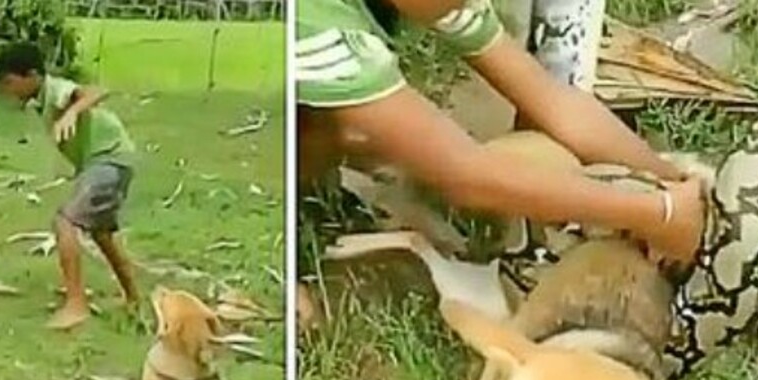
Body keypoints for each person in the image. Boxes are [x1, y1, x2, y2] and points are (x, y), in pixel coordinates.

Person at [296, 0, 708, 263]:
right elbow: (467, 176)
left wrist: (672, 181)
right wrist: (658, 214)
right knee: (341, 127)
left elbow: (555, 104)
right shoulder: (316, 29)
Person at [0, 43, 139, 331]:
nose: (7, 90)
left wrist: (72, 112)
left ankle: (76, 305)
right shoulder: (40, 99)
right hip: (106, 161)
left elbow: (97, 92)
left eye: (11, 82)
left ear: (32, 75)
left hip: (109, 159)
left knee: (65, 221)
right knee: (101, 233)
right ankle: (134, 298)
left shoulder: (57, 89)